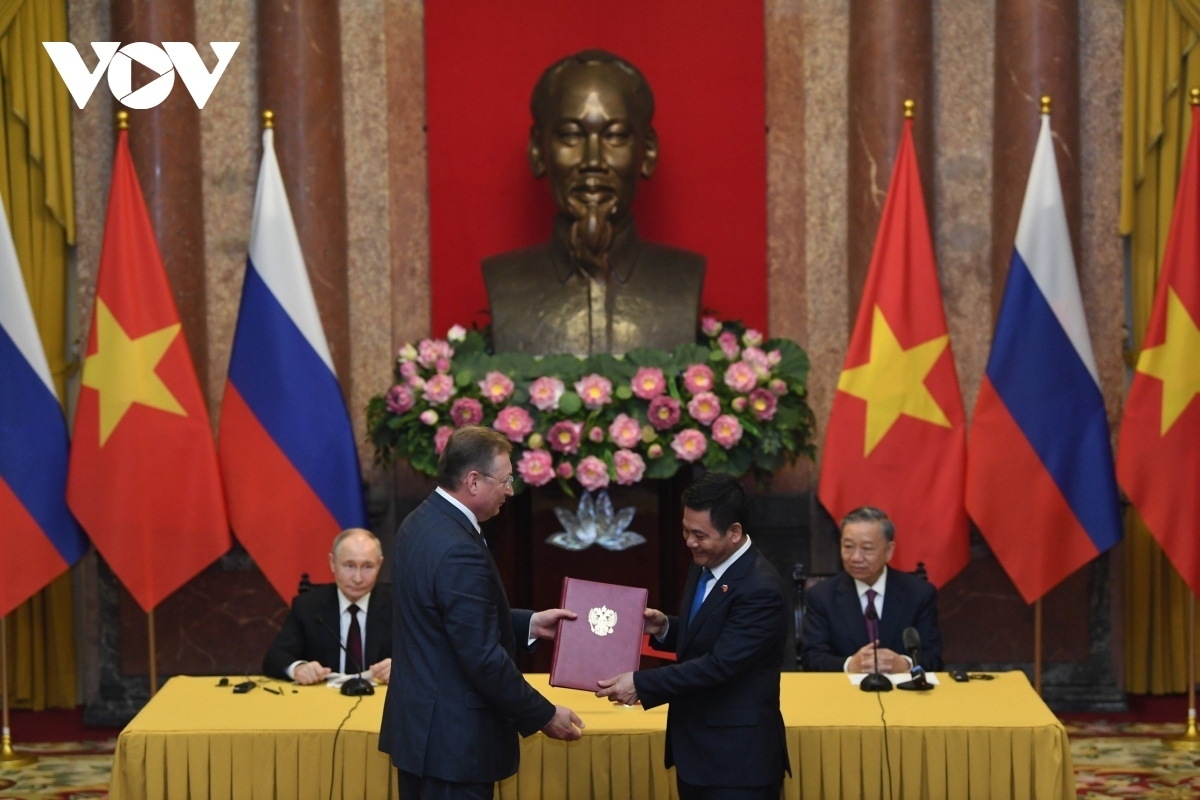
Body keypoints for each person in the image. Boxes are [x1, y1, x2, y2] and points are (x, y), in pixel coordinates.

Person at [379, 426, 584, 799]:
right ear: (473, 481)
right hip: (455, 748)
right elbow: (482, 657)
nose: (510, 489)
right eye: (505, 479)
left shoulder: (419, 522)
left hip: (424, 737)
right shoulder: (459, 547)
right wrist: (543, 713)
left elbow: (444, 619)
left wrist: (530, 624)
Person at [483, 49, 705, 355]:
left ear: (648, 152)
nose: (593, 161)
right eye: (570, 136)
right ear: (537, 151)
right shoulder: (506, 282)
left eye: (615, 136)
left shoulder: (682, 279)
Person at [597, 473, 790, 800]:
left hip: (737, 764)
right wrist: (666, 628)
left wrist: (641, 684)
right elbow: (708, 633)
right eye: (685, 531)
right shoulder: (704, 562)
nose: (689, 542)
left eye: (699, 534)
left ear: (734, 533)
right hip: (699, 754)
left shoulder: (761, 590)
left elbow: (720, 665)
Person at [801, 506, 944, 673]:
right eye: (848, 546)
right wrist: (849, 665)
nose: (855, 557)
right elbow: (811, 658)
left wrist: (905, 664)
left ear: (889, 551)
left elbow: (933, 657)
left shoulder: (919, 594)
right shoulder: (822, 596)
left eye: (867, 548)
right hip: (845, 694)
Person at [262, 528, 392, 684]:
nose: (358, 578)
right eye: (349, 566)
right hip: (323, 701)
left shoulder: (399, 605)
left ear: (379, 565)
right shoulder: (308, 606)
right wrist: (298, 668)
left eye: (367, 567)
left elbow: (425, 653)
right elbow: (275, 657)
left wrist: (401, 667)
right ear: (332, 563)